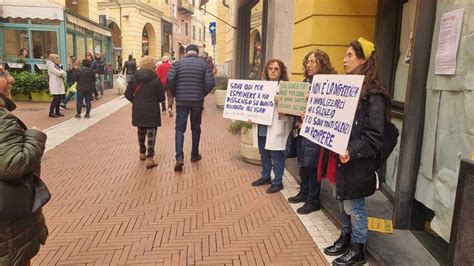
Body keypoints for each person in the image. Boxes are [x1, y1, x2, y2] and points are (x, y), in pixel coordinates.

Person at [323, 38, 390, 265]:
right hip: (341, 157)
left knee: (355, 205)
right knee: (343, 200)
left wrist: (352, 150)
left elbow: (374, 136)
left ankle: (358, 248)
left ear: (364, 60)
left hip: (357, 160)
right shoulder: (347, 89)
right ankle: (345, 237)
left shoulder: (374, 95)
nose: (344, 59)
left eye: (350, 55)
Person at [0, 65, 49, 265]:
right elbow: (14, 164)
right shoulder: (2, 121)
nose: (11, 79)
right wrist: (35, 137)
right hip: (8, 227)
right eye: (2, 74)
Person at [287, 50, 337, 214]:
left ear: (322, 64)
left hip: (316, 132)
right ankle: (304, 192)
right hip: (301, 130)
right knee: (303, 162)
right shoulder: (305, 82)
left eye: (313, 62)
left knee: (313, 164)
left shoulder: (327, 85)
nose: (309, 65)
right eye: (307, 62)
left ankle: (313, 200)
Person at [167, 44, 215, 171]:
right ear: (197, 52)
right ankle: (194, 155)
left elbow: (169, 80)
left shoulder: (177, 64)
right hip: (197, 102)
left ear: (186, 52)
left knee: (179, 129)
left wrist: (176, 93)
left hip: (182, 101)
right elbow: (210, 82)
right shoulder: (204, 65)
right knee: (196, 128)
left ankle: (179, 158)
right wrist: (201, 93)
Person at [250, 59, 292, 194]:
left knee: (276, 154)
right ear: (267, 71)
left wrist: (282, 102)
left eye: (276, 69)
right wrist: (250, 116)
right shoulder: (261, 86)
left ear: (281, 72)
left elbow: (290, 110)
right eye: (270, 68)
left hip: (275, 126)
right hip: (262, 125)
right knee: (264, 154)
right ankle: (265, 176)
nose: (273, 71)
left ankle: (277, 181)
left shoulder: (285, 88)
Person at [124, 56, 166, 169]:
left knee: (141, 130)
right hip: (152, 108)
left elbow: (127, 94)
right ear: (152, 65)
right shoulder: (155, 79)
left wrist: (135, 101)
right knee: (151, 132)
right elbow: (162, 97)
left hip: (138, 108)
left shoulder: (134, 78)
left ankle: (142, 152)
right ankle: (150, 158)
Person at [46, 53, 66, 118]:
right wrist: (62, 73)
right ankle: (51, 112)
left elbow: (61, 72)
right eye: (57, 59)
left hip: (59, 83)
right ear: (53, 59)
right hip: (54, 84)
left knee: (59, 99)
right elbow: (58, 73)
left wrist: (62, 73)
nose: (58, 60)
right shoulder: (50, 65)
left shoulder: (56, 65)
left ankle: (57, 111)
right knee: (56, 99)